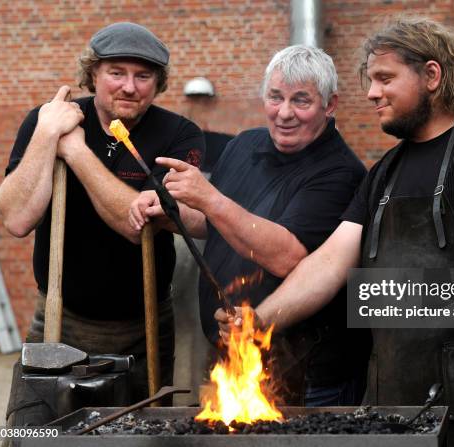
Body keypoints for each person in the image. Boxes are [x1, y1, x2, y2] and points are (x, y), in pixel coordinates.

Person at [216, 16, 454, 446]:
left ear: (432, 74)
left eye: (385, 78)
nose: (372, 92)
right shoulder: (384, 174)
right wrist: (259, 321)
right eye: (371, 80)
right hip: (399, 410)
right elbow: (329, 263)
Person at [130, 45, 372, 406]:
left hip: (306, 374)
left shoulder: (340, 172)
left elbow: (286, 256)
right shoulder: (246, 145)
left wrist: (209, 197)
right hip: (232, 359)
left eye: (301, 101)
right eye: (275, 97)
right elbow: (220, 224)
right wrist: (172, 212)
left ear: (330, 105)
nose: (285, 113)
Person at [0, 22, 204, 426]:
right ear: (92, 74)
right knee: (34, 435)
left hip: (144, 327)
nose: (129, 86)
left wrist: (74, 150)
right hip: (58, 318)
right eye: (116, 73)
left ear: (158, 82)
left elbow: (135, 223)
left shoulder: (178, 135)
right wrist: (46, 133)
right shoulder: (49, 121)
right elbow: (17, 219)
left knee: (137, 435)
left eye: (143, 76)